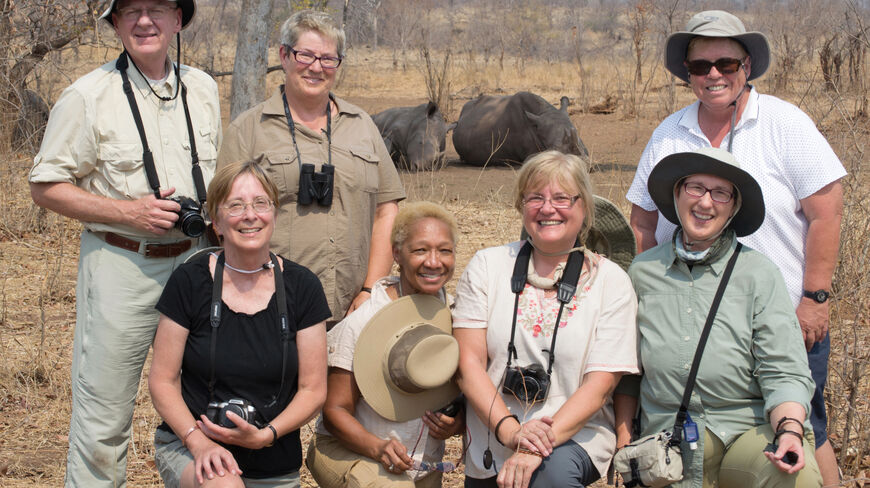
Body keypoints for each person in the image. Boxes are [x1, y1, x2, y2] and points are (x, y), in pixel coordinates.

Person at [624, 10, 845, 484]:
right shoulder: (669, 133)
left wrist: (815, 298)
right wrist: (648, 294)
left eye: (726, 63)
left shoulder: (785, 124)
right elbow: (642, 221)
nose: (714, 75)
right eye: (701, 66)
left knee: (807, 426)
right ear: (688, 74)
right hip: (685, 315)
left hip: (782, 313)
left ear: (747, 66)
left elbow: (826, 211)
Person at [27, 0, 220, 485]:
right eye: (130, 10)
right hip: (122, 264)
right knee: (102, 422)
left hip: (198, 264)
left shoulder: (203, 88)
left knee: (203, 406)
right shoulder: (87, 95)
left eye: (158, 8)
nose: (145, 21)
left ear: (179, 20)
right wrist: (129, 212)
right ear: (115, 23)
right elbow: (45, 185)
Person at [621, 147, 822, 487]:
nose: (705, 202)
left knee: (793, 478)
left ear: (733, 208)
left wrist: (789, 430)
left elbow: (784, 368)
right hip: (668, 440)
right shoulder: (643, 271)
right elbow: (626, 370)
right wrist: (623, 439)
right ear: (677, 194)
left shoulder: (759, 273)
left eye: (720, 193)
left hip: (747, 429)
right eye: (695, 188)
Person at [453, 150, 640, 488]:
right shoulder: (486, 266)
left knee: (550, 479)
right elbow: (469, 366)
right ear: (521, 206)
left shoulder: (611, 282)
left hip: (576, 434)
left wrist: (536, 445)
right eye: (535, 197)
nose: (547, 208)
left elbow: (599, 388)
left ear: (584, 208)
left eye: (562, 198)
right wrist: (511, 432)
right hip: (492, 433)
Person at [217, 9, 405, 326]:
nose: (316, 67)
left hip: (351, 310)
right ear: (284, 56)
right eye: (305, 55)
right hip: (270, 309)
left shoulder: (362, 126)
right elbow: (223, 218)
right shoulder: (248, 130)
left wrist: (370, 290)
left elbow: (387, 210)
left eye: (328, 59)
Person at [148, 160, 329, 487]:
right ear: (215, 221)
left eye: (261, 203)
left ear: (273, 214)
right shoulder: (190, 282)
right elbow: (162, 380)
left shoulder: (304, 287)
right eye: (236, 205)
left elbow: (313, 390)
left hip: (274, 457)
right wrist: (198, 442)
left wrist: (266, 435)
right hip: (195, 449)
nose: (250, 215)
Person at [306, 201, 465, 488]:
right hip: (352, 451)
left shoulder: (459, 319)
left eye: (444, 250)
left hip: (420, 465)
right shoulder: (364, 322)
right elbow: (335, 412)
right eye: (420, 250)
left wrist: (458, 423)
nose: (433, 261)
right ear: (397, 254)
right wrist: (377, 447)